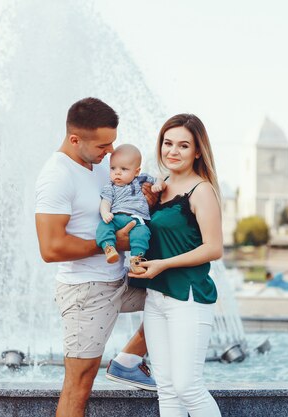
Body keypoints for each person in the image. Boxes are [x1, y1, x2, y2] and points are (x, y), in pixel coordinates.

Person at [34, 98, 156, 417]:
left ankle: (128, 360)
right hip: (86, 291)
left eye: (112, 141)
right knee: (80, 384)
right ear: (75, 140)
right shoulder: (56, 175)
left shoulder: (102, 165)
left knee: (179, 293)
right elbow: (51, 248)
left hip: (119, 280)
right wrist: (114, 243)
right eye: (103, 144)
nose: (111, 150)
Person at [129, 114, 222, 417]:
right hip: (156, 297)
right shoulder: (161, 185)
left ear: (197, 151)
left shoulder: (201, 190)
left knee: (188, 387)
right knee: (167, 390)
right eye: (168, 143)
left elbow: (213, 248)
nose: (173, 151)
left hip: (189, 297)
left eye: (183, 145)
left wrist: (163, 265)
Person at [96, 144, 166, 273]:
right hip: (116, 217)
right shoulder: (110, 187)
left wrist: (157, 184)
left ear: (136, 171)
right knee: (104, 226)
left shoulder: (140, 180)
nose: (117, 172)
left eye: (123, 169)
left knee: (143, 233)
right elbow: (105, 202)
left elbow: (160, 180)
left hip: (136, 218)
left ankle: (136, 260)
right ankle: (108, 248)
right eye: (113, 168)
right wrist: (105, 212)